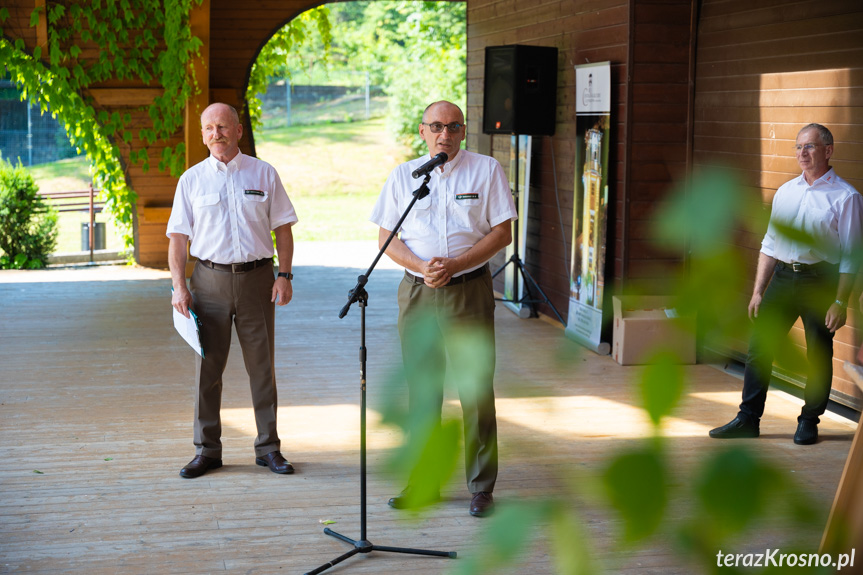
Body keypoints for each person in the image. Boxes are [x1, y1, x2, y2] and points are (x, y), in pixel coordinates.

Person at [369, 101, 517, 517]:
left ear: (464, 130)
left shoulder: (485, 169)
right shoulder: (404, 175)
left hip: (468, 290)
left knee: (475, 388)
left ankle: (481, 487)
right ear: (422, 131)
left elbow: (502, 231)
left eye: (453, 127)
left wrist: (456, 265)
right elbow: (386, 235)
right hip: (417, 293)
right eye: (436, 126)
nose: (444, 134)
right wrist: (421, 266)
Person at [167, 103, 298, 478]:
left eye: (223, 126)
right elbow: (178, 240)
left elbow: (283, 230)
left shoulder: (264, 173)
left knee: (262, 368)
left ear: (239, 130)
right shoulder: (191, 180)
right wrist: (179, 287)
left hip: (258, 279)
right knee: (207, 370)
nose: (216, 133)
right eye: (209, 128)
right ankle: (206, 450)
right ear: (203, 134)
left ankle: (268, 448)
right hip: (208, 282)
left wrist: (284, 275)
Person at [710, 123, 862, 445]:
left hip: (820, 282)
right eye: (798, 147)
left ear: (828, 151)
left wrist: (840, 301)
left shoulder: (846, 197)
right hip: (782, 277)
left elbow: (852, 257)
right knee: (759, 348)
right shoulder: (786, 192)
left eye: (809, 146)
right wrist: (757, 291)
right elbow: (769, 244)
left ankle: (809, 420)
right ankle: (748, 418)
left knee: (818, 355)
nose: (802, 153)